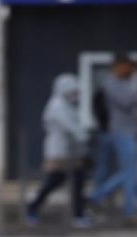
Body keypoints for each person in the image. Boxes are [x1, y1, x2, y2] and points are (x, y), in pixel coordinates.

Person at [25, 73, 92, 228]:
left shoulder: (67, 104)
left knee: (76, 181)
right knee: (55, 181)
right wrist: (84, 136)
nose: (76, 95)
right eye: (73, 91)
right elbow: (71, 126)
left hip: (71, 151)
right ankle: (33, 207)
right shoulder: (58, 105)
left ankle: (79, 214)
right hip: (60, 151)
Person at [87, 53, 137, 221]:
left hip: (129, 131)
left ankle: (121, 205)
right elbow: (127, 101)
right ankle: (126, 208)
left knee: (130, 172)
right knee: (129, 172)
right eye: (127, 66)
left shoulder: (125, 82)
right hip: (120, 132)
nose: (130, 70)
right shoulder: (111, 83)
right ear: (118, 66)